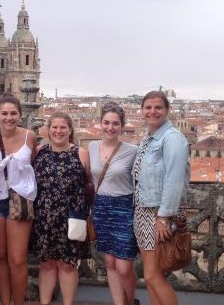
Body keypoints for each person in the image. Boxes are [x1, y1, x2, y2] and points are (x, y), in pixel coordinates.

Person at [133, 91, 189, 305]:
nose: (152, 111)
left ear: (167, 110)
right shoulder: (148, 138)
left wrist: (164, 216)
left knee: (152, 276)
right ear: (142, 110)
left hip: (159, 215)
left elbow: (174, 180)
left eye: (158, 107)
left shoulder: (173, 138)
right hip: (144, 212)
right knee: (151, 277)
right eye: (148, 107)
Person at [0, 94, 38, 305]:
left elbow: (32, 164)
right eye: (4, 113)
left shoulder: (29, 137)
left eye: (13, 113)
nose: (9, 117)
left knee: (18, 259)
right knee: (1, 257)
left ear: (20, 115)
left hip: (21, 201)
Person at [31, 111, 91, 305]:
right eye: (54, 127)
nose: (58, 131)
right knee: (47, 264)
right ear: (48, 130)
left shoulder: (80, 153)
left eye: (62, 127)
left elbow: (89, 183)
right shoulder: (39, 152)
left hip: (72, 218)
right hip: (44, 218)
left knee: (67, 265)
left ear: (70, 130)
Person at [89, 102, 138, 305]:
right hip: (100, 207)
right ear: (100, 123)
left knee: (124, 266)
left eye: (115, 123)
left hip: (124, 208)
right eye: (106, 122)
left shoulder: (132, 150)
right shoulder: (91, 147)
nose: (110, 127)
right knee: (109, 262)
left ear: (122, 126)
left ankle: (130, 301)